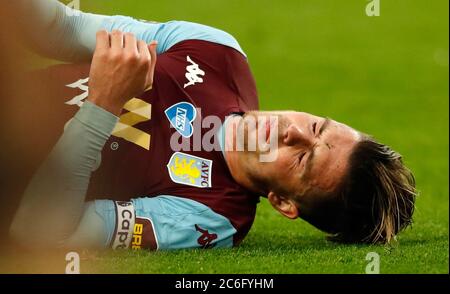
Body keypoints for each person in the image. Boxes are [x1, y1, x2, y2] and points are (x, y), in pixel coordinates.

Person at [9, 0, 416, 251]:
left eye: (303, 159)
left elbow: (39, 230)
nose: (292, 132)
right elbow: (58, 28)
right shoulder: (216, 53)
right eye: (316, 126)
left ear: (283, 203)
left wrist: (102, 105)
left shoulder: (210, 219)